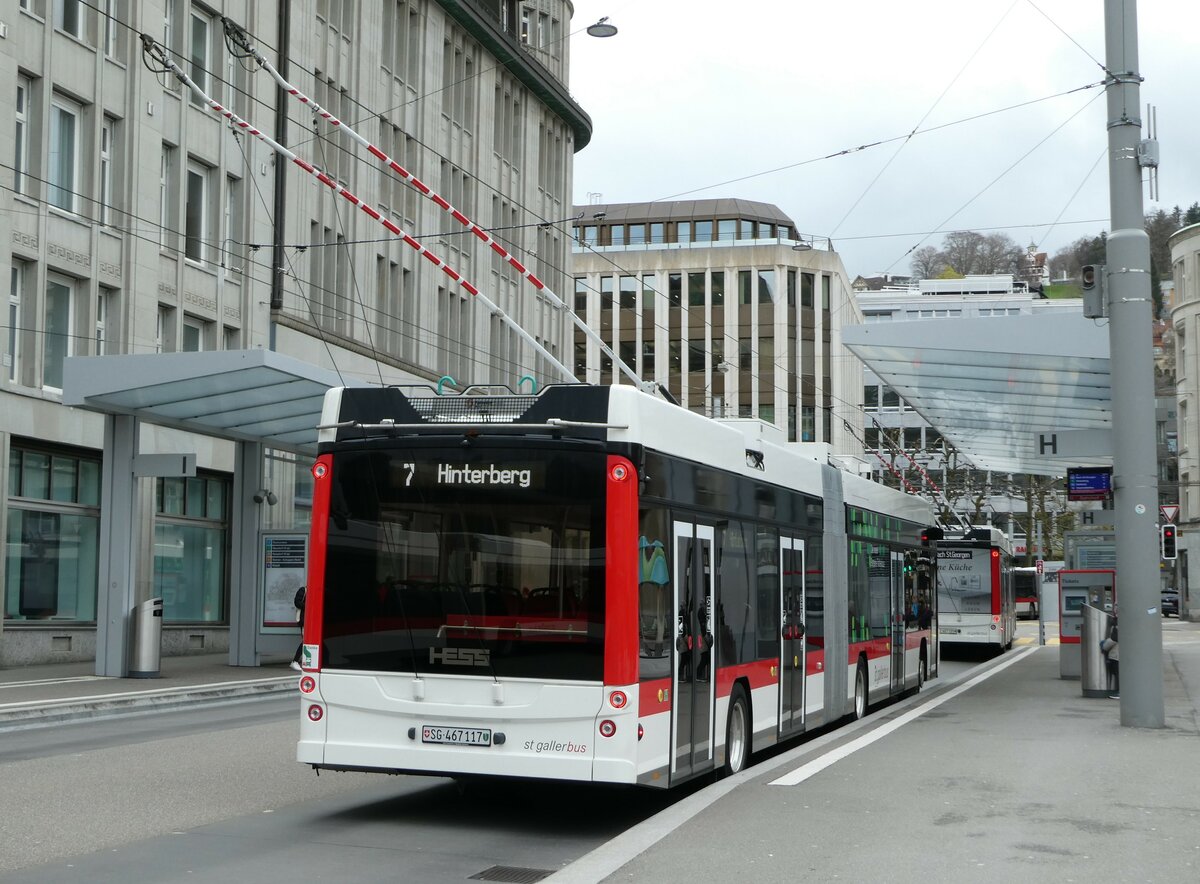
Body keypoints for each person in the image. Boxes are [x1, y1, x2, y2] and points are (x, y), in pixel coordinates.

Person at [1101, 615, 1119, 699]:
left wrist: (1104, 646)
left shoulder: (1117, 628)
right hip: (1119, 655)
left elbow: (1113, 640)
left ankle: (1119, 692)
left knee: (1118, 673)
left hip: (1116, 656)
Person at [291, 585, 306, 670]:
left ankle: (297, 661)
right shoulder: (303, 590)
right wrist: (309, 605)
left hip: (311, 620)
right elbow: (297, 602)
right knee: (305, 641)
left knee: (307, 641)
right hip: (304, 620)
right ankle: (295, 661)